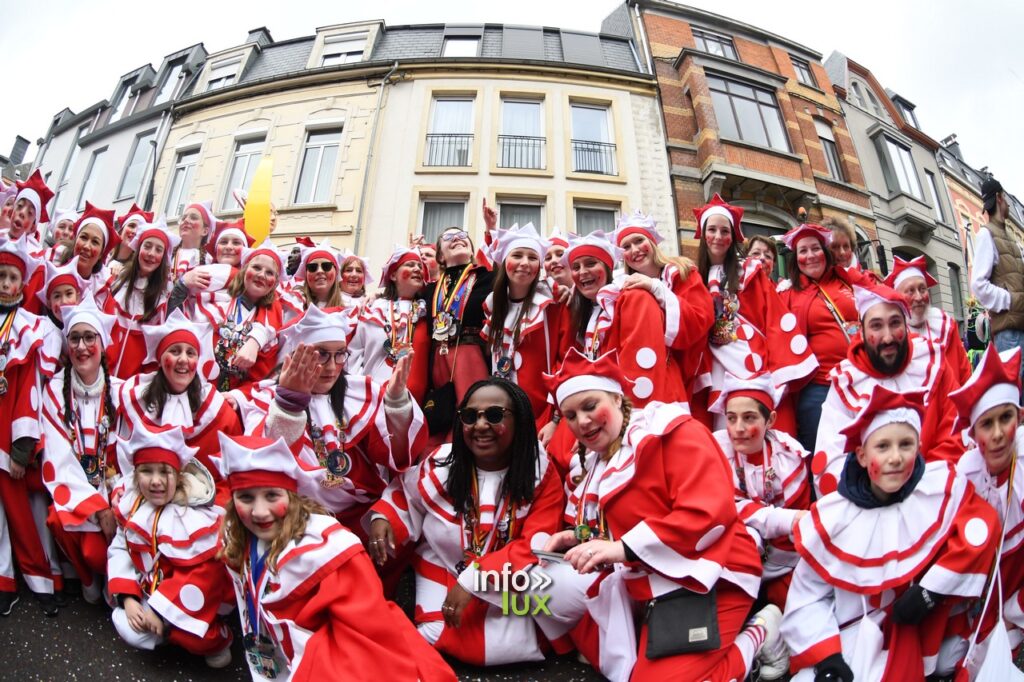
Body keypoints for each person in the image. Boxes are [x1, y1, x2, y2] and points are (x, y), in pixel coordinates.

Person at [540, 348, 787, 682]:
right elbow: (630, 521)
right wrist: (581, 537)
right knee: (542, 590)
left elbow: (708, 513)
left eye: (589, 406)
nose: (581, 422)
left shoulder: (671, 432)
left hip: (714, 574)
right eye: (570, 415)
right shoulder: (600, 455)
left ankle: (760, 635)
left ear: (617, 398)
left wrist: (621, 549)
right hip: (649, 581)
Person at [782, 386, 1000, 681]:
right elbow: (807, 597)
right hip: (847, 636)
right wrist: (827, 657)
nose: (895, 458)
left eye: (906, 445)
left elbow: (981, 529)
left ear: (919, 447)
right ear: (861, 455)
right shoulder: (833, 517)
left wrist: (931, 591)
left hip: (914, 637)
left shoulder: (939, 490)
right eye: (883, 446)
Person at [215, 433, 457, 681]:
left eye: (272, 496)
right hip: (282, 654)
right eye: (246, 498)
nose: (259, 512)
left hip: (331, 657)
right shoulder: (238, 537)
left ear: (292, 496)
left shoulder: (330, 549)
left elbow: (364, 632)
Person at [368, 378, 566, 665]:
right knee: (437, 633)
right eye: (470, 416)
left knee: (507, 645)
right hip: (446, 566)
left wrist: (475, 581)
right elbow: (405, 494)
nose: (480, 425)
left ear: (519, 421)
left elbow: (535, 546)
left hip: (513, 577)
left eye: (494, 415)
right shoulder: (442, 462)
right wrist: (383, 517)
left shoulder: (540, 472)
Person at [244, 304, 426, 538]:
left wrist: (397, 404)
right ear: (297, 355)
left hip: (359, 512)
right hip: (298, 516)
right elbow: (266, 463)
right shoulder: (266, 397)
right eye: (321, 354)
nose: (331, 367)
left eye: (340, 354)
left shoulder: (361, 392)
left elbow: (396, 455)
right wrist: (289, 406)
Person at [812, 283, 965, 496]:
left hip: (934, 493)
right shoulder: (846, 382)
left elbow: (956, 435)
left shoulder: (932, 364)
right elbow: (830, 459)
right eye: (876, 326)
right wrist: (879, 493)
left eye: (895, 323)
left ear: (906, 324)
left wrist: (919, 490)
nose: (887, 337)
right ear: (862, 333)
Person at [107, 426, 234, 668]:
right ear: (135, 475)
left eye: (165, 471)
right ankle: (164, 631)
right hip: (152, 589)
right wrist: (127, 597)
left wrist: (161, 610)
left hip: (194, 598)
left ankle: (219, 637)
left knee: (195, 638)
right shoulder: (133, 506)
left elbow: (205, 575)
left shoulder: (193, 514)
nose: (156, 481)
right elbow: (121, 548)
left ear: (179, 475)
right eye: (147, 471)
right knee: (126, 624)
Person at [691, 196, 816, 434]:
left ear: (733, 236)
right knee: (725, 439)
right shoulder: (693, 278)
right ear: (703, 234)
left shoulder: (750, 272)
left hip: (755, 366)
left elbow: (775, 319)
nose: (718, 236)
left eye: (724, 231)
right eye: (712, 230)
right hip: (718, 372)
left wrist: (778, 371)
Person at [40, 293, 121, 604]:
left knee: (107, 551)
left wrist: (112, 503)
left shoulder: (121, 390)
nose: (82, 346)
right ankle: (88, 578)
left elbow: (127, 457)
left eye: (90, 337)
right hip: (80, 496)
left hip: (114, 491)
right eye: (74, 339)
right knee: (65, 528)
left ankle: (114, 578)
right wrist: (97, 508)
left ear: (101, 344)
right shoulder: (54, 391)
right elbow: (58, 461)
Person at [0, 237, 63, 616]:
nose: (5, 284)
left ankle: (41, 580)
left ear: (22, 285)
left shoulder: (30, 327)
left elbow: (28, 392)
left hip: (8, 435)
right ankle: (4, 580)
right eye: (0, 276)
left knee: (22, 513)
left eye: (12, 278)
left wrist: (22, 447)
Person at [711, 372, 810, 609]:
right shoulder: (715, 451)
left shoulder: (789, 458)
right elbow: (724, 511)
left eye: (749, 418)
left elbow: (799, 523)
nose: (738, 428)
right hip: (733, 561)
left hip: (784, 560)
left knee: (790, 605)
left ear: (771, 420)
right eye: (731, 418)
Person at [950, 345, 1024, 650]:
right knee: (948, 655)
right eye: (986, 424)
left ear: (1019, 418)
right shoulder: (963, 476)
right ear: (972, 432)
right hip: (980, 599)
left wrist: (1013, 613)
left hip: (1015, 596)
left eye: (1005, 418)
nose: (996, 435)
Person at [560, 231, 686, 409]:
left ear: (608, 268)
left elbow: (641, 372)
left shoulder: (634, 298)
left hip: (647, 411)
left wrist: (622, 422)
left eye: (590, 263)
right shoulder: (588, 311)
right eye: (576, 267)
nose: (583, 272)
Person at [119, 309, 242, 484]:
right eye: (175, 351)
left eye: (190, 353)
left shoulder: (219, 412)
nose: (183, 359)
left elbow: (231, 474)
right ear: (160, 360)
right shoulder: (134, 400)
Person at [613, 209, 714, 417]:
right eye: (626, 246)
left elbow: (701, 319)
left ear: (652, 242)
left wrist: (656, 288)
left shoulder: (683, 271)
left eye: (639, 240)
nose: (634, 250)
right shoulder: (622, 287)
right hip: (645, 376)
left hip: (689, 376)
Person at [778, 223, 860, 452]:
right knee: (823, 455)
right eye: (803, 251)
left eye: (815, 248)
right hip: (818, 388)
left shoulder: (847, 280)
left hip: (859, 379)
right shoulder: (786, 294)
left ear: (825, 252)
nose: (810, 256)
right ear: (796, 258)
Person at [483, 223, 563, 432]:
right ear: (504, 262)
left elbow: (563, 362)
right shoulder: (493, 307)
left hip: (543, 419)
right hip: (502, 417)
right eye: (517, 255)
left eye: (532, 258)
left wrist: (555, 419)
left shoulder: (552, 305)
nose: (525, 263)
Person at [422, 227, 495, 434]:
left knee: (475, 414)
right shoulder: (431, 289)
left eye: (463, 235)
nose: (456, 238)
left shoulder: (487, 279)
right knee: (442, 418)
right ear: (440, 256)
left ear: (472, 250)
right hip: (438, 357)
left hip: (470, 355)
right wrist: (374, 297)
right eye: (448, 237)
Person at [193, 239, 286, 395]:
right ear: (244, 271)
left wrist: (237, 397)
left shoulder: (270, 330)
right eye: (256, 267)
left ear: (275, 283)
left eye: (269, 273)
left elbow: (261, 376)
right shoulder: (218, 300)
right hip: (197, 386)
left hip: (232, 400)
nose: (261, 275)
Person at [348, 245, 430, 403]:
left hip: (412, 399)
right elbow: (355, 354)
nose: (417, 269)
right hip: (371, 397)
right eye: (410, 265)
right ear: (393, 275)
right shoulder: (373, 309)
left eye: (420, 266)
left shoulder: (426, 309)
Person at [99, 218, 178, 379]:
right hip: (100, 375)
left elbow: (154, 351)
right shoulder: (115, 281)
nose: (151, 254)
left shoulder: (163, 299)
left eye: (158, 250)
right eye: (147, 246)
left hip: (131, 385)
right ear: (138, 249)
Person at [970, 176, 1024, 384]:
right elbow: (978, 285)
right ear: (1000, 198)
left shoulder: (1009, 236)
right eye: (1007, 199)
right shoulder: (986, 234)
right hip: (1008, 333)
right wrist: (1009, 301)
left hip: (1019, 326)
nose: (1009, 204)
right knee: (1011, 394)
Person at [886, 254, 972, 385]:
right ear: (897, 298)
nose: (919, 297)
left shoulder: (946, 325)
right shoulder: (891, 338)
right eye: (910, 291)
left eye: (922, 289)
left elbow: (964, 373)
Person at [62, 202, 120, 294]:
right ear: (75, 239)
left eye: (95, 242)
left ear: (101, 254)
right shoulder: (51, 267)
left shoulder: (101, 293)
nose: (87, 246)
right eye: (84, 237)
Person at [35, 256, 88, 329]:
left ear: (78, 298)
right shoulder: (42, 331)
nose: (64, 301)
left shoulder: (88, 327)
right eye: (57, 296)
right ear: (49, 303)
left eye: (69, 294)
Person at [171, 200, 214, 278]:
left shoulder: (209, 260)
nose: (186, 220)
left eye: (194, 218)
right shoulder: (168, 254)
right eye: (183, 218)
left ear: (205, 231)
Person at [107, 204, 153, 278]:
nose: (134, 231)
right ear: (122, 230)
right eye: (131, 226)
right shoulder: (103, 255)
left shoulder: (137, 270)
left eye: (139, 229)